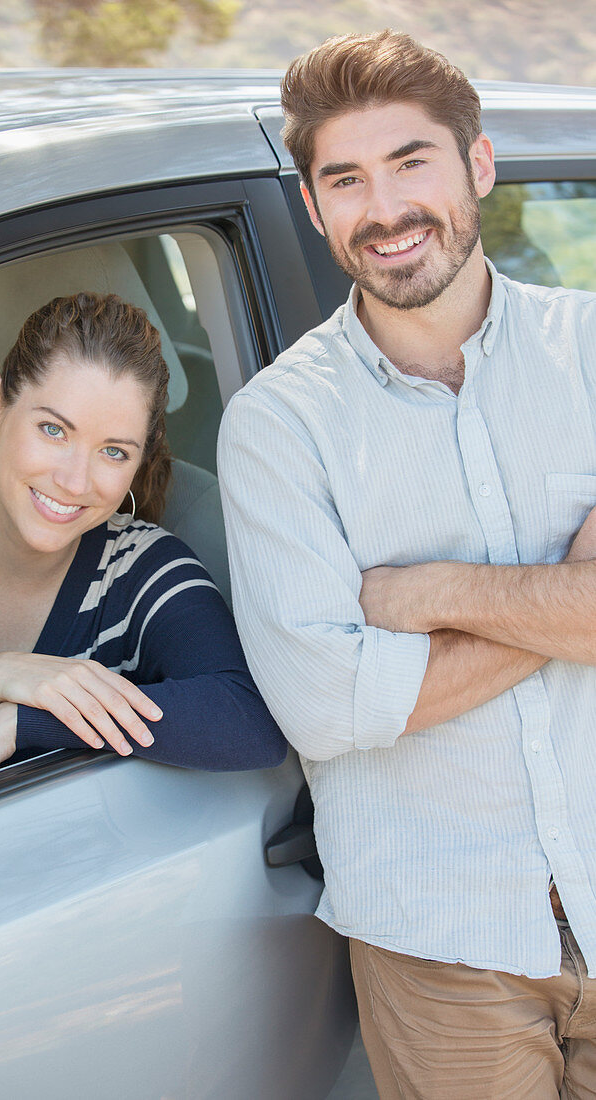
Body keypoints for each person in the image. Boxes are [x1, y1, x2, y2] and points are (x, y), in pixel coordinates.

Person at [217, 29, 596, 1100]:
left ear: (477, 166)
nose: (383, 209)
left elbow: (383, 674)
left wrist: (427, 594)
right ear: (313, 207)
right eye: (346, 178)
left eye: (410, 162)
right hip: (441, 945)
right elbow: (331, 705)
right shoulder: (276, 429)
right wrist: (563, 604)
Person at [0, 290, 285, 786]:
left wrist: (24, 720)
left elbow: (249, 719)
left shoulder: (140, 571)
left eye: (113, 452)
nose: (75, 482)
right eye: (53, 430)